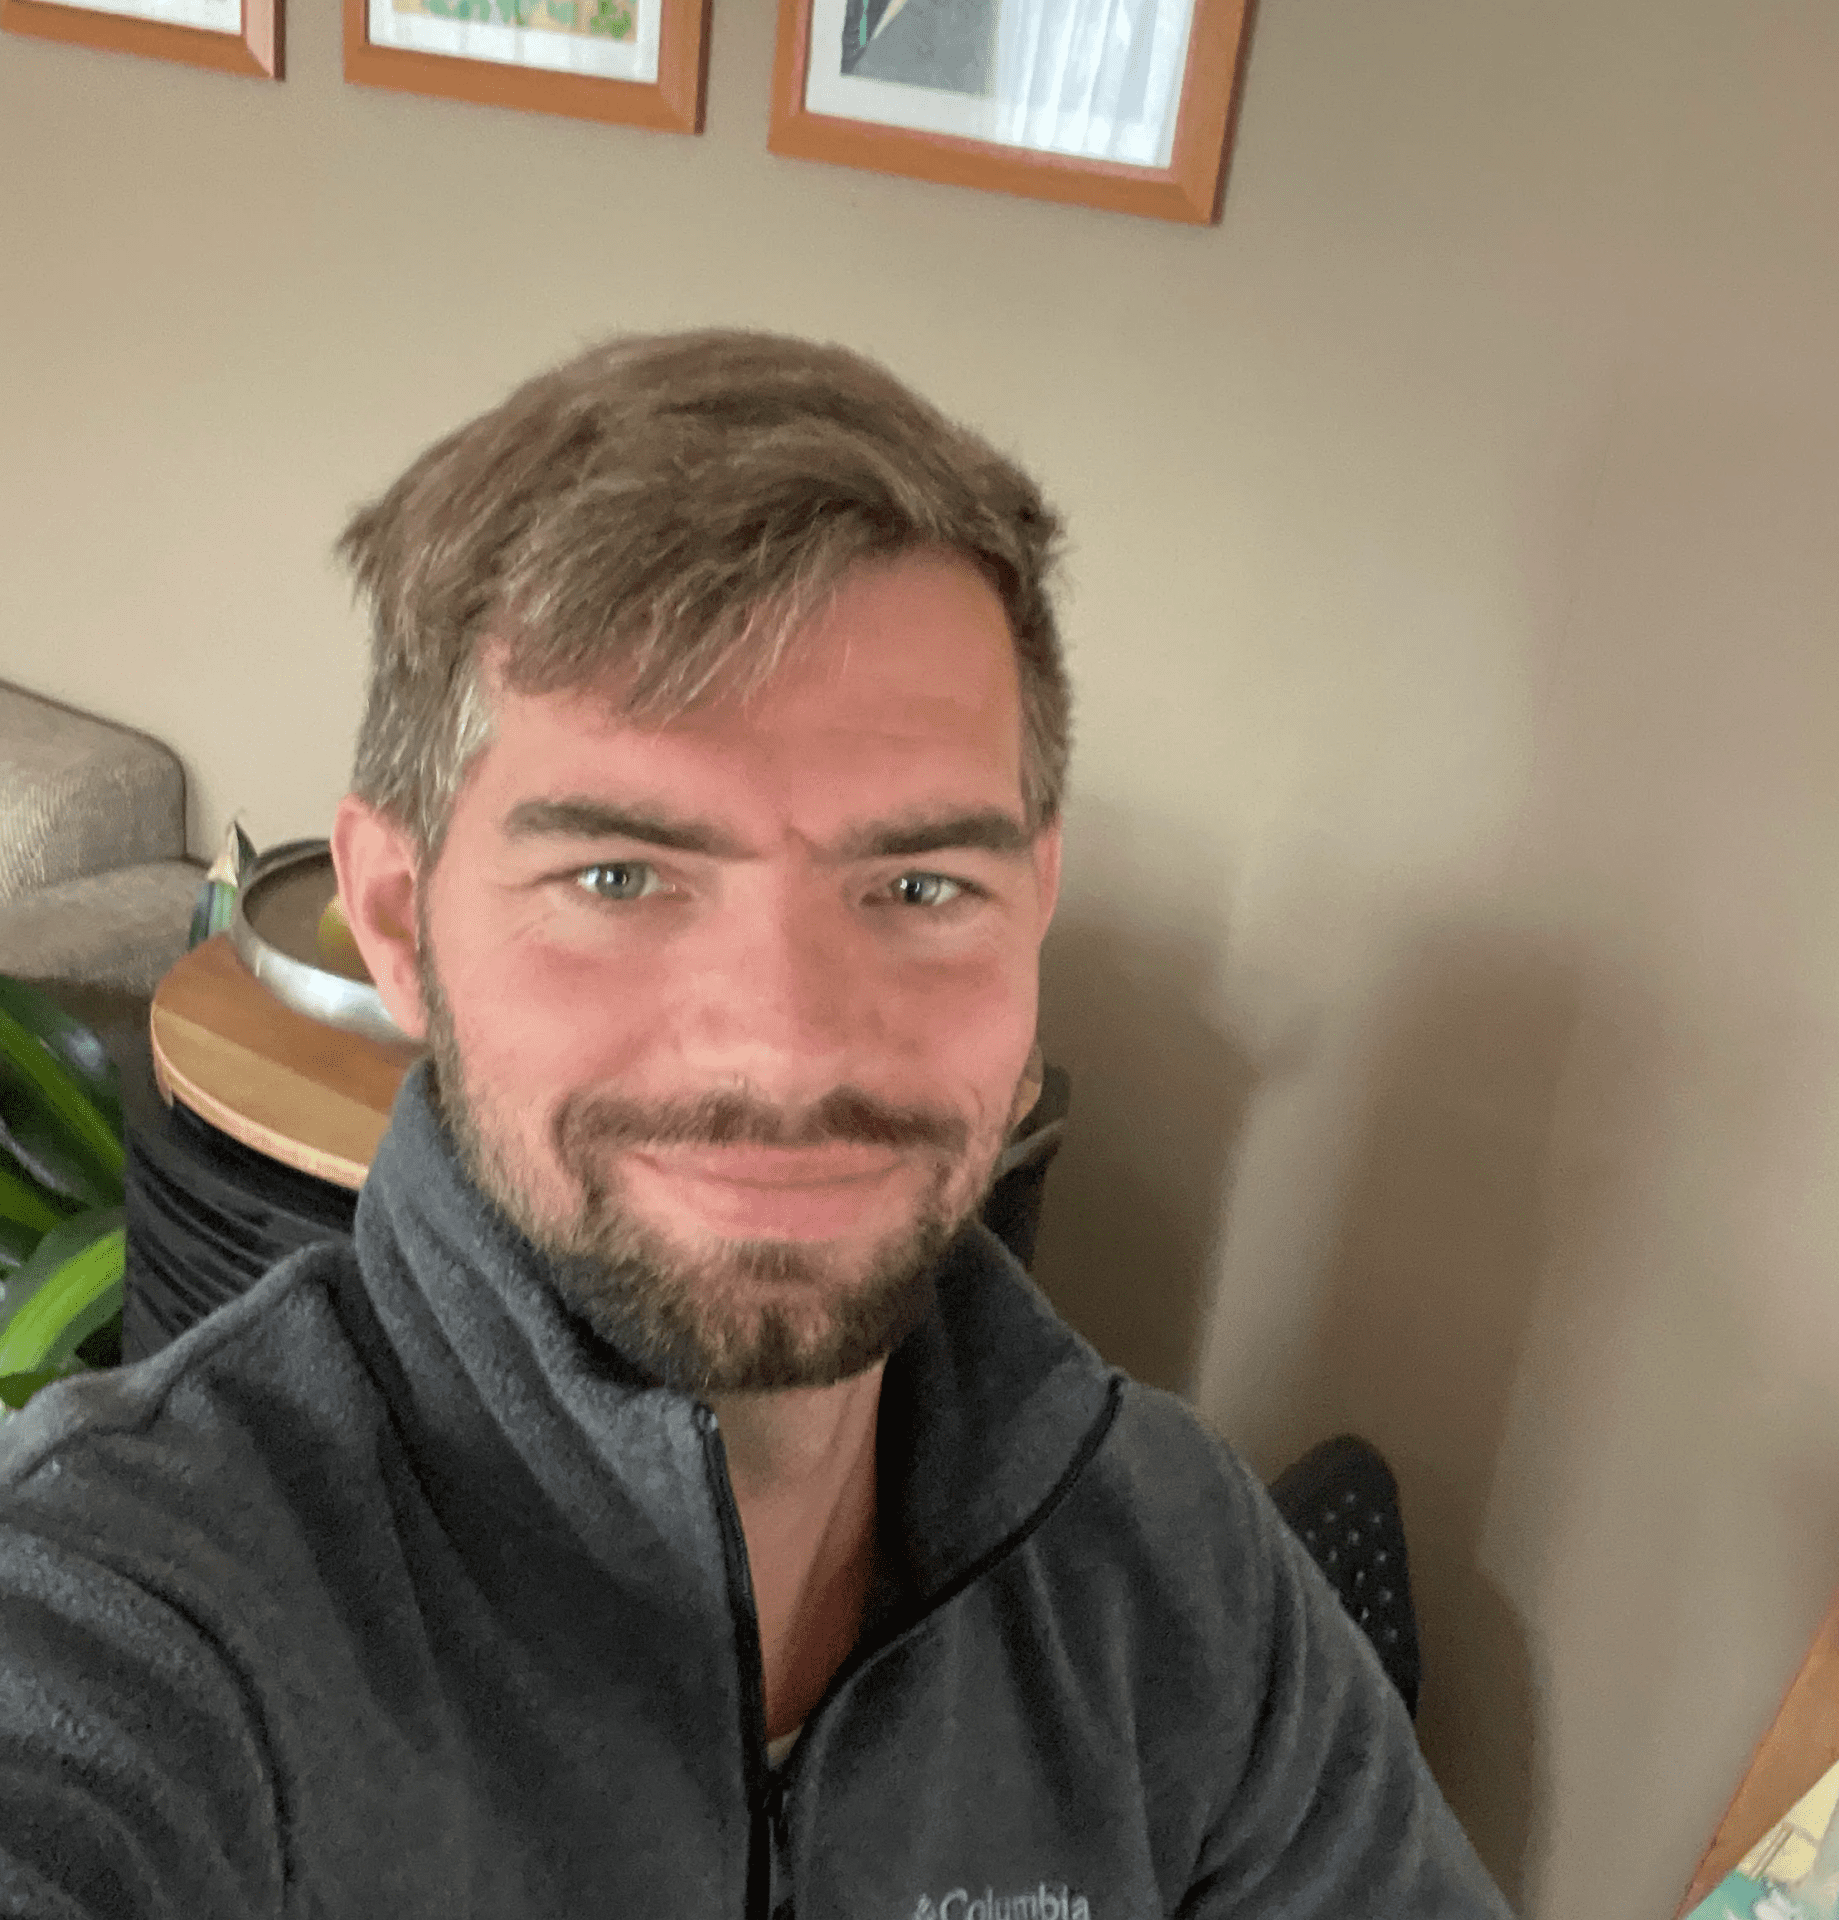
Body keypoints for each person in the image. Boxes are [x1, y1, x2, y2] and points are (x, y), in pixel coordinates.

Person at [0, 332, 1510, 1917]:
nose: (786, 1047)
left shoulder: (1174, 1583)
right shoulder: (141, 1610)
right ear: (396, 918)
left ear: (1033, 906)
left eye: (919, 886)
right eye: (618, 878)